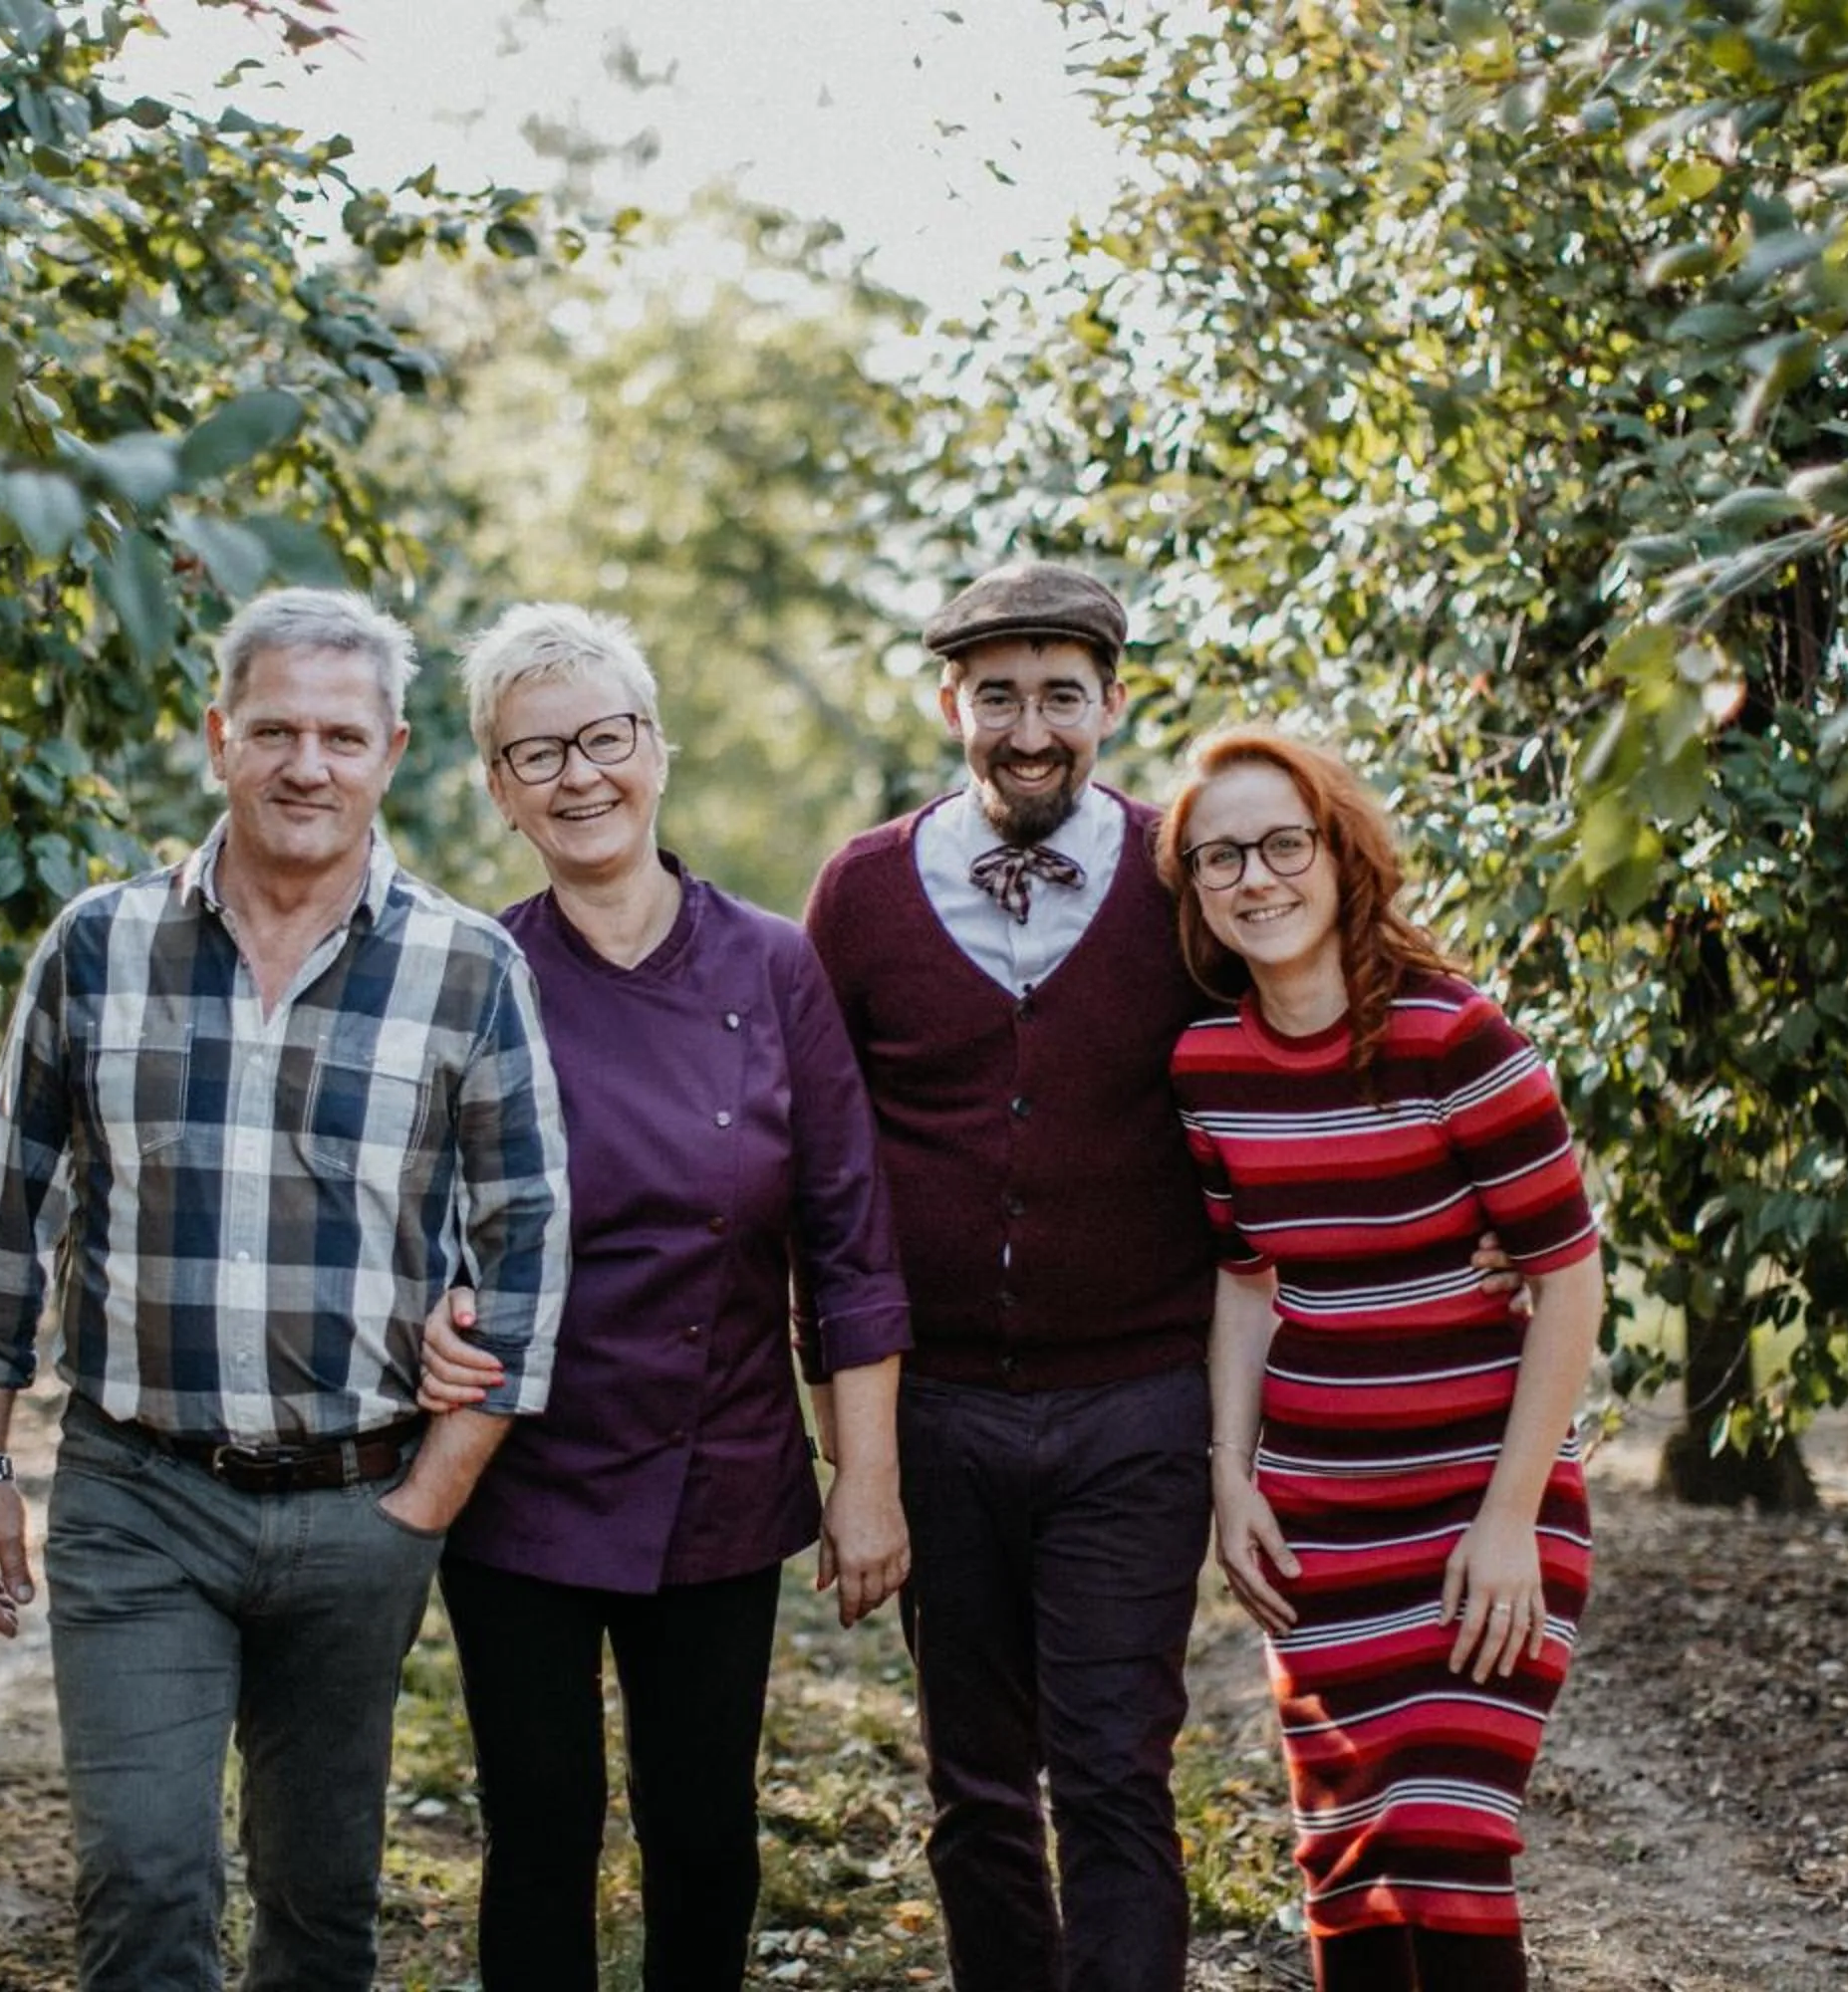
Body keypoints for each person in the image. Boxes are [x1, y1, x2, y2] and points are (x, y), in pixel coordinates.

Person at [0, 587, 571, 1992]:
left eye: (342, 735)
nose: (306, 765)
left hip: (361, 1508)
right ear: (220, 737)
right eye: (274, 728)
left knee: (321, 1906)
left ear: (392, 752)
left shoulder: (468, 970)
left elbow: (530, 1239)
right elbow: (3, 1215)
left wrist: (431, 1499)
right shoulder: (97, 947)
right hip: (138, 1494)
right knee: (146, 1883)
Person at [414, 602, 912, 1991]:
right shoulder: (472, 974)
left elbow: (849, 1237)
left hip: (722, 1462)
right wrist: (427, 1322)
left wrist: (861, 1478)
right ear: (501, 792)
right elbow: (409, 1225)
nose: (580, 777)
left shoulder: (772, 962)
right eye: (538, 755)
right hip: (516, 1467)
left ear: (656, 750)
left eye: (605, 738)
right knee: (539, 1828)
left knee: (705, 1835)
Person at [799, 562, 1216, 1992]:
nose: (1028, 730)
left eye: (1058, 697)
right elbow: (819, 1166)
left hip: (1138, 1407)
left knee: (1112, 1771)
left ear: (1111, 702)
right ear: (949, 705)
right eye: (997, 698)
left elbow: (1322, 1026)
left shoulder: (1185, 877)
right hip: (941, 1410)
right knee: (975, 1786)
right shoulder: (861, 892)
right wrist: (848, 1441)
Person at [1160, 724, 1603, 1992]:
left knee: (1450, 1845)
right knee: (1348, 1862)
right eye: (1220, 857)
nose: (1258, 877)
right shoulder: (1205, 1068)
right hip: (1321, 1522)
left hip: (1486, 1506)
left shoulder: (1453, 1038)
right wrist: (1231, 1478)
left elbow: (1569, 1280)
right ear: (1192, 892)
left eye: (1284, 842)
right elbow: (1247, 1279)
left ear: (1342, 854)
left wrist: (1511, 1518)